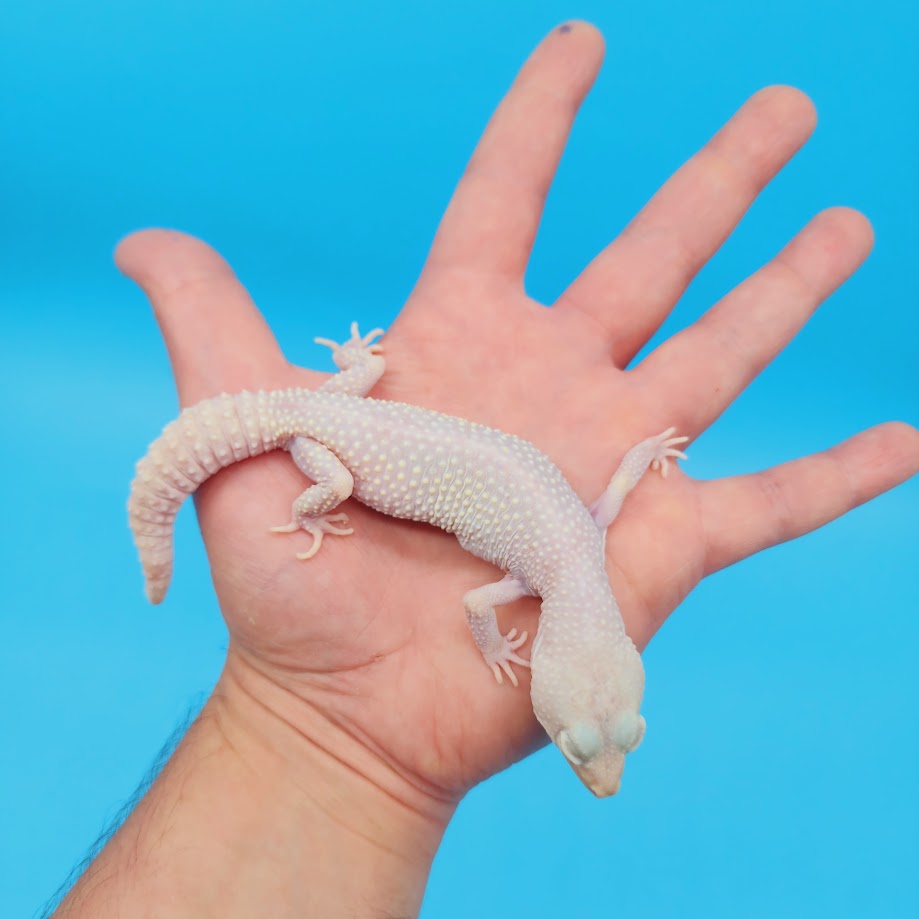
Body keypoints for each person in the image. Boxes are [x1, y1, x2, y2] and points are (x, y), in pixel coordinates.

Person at [53, 22, 918, 918]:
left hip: (353, 402)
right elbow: (481, 601)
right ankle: (315, 507)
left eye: (589, 740)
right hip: (328, 447)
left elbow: (614, 490)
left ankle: (345, 383)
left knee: (361, 397)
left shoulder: (577, 547)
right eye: (602, 737)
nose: (600, 760)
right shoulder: (551, 568)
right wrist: (326, 525)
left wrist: (645, 455)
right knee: (337, 490)